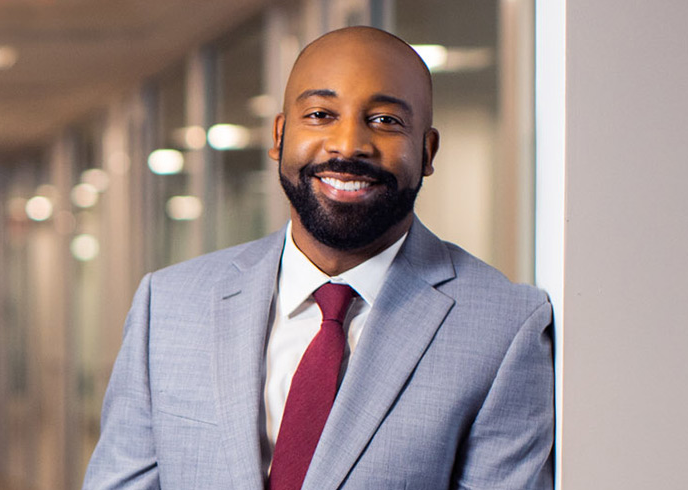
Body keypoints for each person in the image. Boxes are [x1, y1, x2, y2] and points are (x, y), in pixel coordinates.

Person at [82, 26, 554, 490]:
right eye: (321, 114)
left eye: (386, 120)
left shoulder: (505, 328)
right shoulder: (167, 306)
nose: (348, 145)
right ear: (280, 136)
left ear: (427, 151)